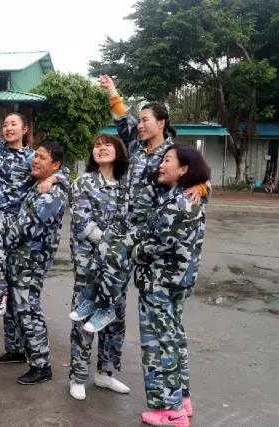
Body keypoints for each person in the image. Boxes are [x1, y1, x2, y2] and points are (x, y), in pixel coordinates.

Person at [70, 74, 207, 333]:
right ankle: (93, 302)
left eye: (145, 120)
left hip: (146, 225)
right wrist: (111, 90)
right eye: (140, 120)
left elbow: (199, 176)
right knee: (100, 255)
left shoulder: (173, 153)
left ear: (161, 123)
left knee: (115, 257)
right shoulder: (135, 145)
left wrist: (200, 186)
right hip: (122, 219)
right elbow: (123, 118)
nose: (140, 125)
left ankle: (107, 307)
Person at [0, 70, 65, 325]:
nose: (8, 128)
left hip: (5, 214)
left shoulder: (32, 157)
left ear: (25, 129)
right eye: (5, 124)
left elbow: (60, 170)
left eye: (13, 124)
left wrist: (52, 179)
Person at [133, 144, 209, 426]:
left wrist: (131, 250)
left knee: (158, 346)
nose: (161, 165)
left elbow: (154, 245)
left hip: (159, 285)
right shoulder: (190, 195)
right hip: (174, 284)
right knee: (174, 340)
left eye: (167, 161)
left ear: (184, 169)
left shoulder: (179, 203)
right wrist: (203, 185)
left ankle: (170, 410)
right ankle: (181, 400)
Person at [0, 141, 69, 385]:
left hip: (31, 261)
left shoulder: (52, 194)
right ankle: (17, 349)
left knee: (28, 309)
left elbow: (25, 227)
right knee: (15, 307)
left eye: (42, 157)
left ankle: (41, 365)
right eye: (35, 156)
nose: (35, 160)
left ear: (55, 165)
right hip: (18, 259)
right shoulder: (38, 184)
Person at [68, 134, 131, 400]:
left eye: (108, 145)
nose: (102, 148)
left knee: (115, 315)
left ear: (119, 152)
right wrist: (113, 247)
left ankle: (106, 372)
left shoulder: (128, 185)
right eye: (97, 145)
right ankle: (78, 376)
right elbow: (83, 224)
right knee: (85, 317)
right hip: (90, 263)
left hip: (119, 265)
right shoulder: (83, 183)